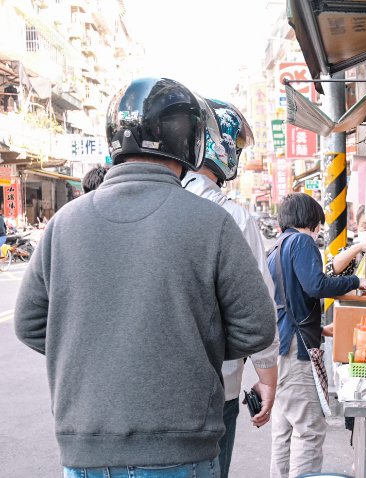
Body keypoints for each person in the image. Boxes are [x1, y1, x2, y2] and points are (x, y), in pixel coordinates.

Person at [14, 77, 277, 477]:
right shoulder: (214, 223)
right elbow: (257, 327)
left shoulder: (62, 224)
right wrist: (191, 346)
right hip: (182, 449)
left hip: (84, 453)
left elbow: (31, 324)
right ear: (190, 142)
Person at [182, 98, 279, 478]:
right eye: (235, 146)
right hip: (215, 387)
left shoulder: (128, 208)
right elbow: (259, 308)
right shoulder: (233, 216)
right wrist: (267, 375)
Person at [268, 193, 366, 478]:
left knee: (284, 429)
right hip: (296, 348)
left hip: (280, 344)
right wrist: (356, 281)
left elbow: (289, 299)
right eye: (318, 226)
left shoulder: (276, 247)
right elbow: (316, 285)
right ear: (312, 221)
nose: (317, 233)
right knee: (309, 430)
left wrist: (319, 328)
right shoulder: (301, 242)